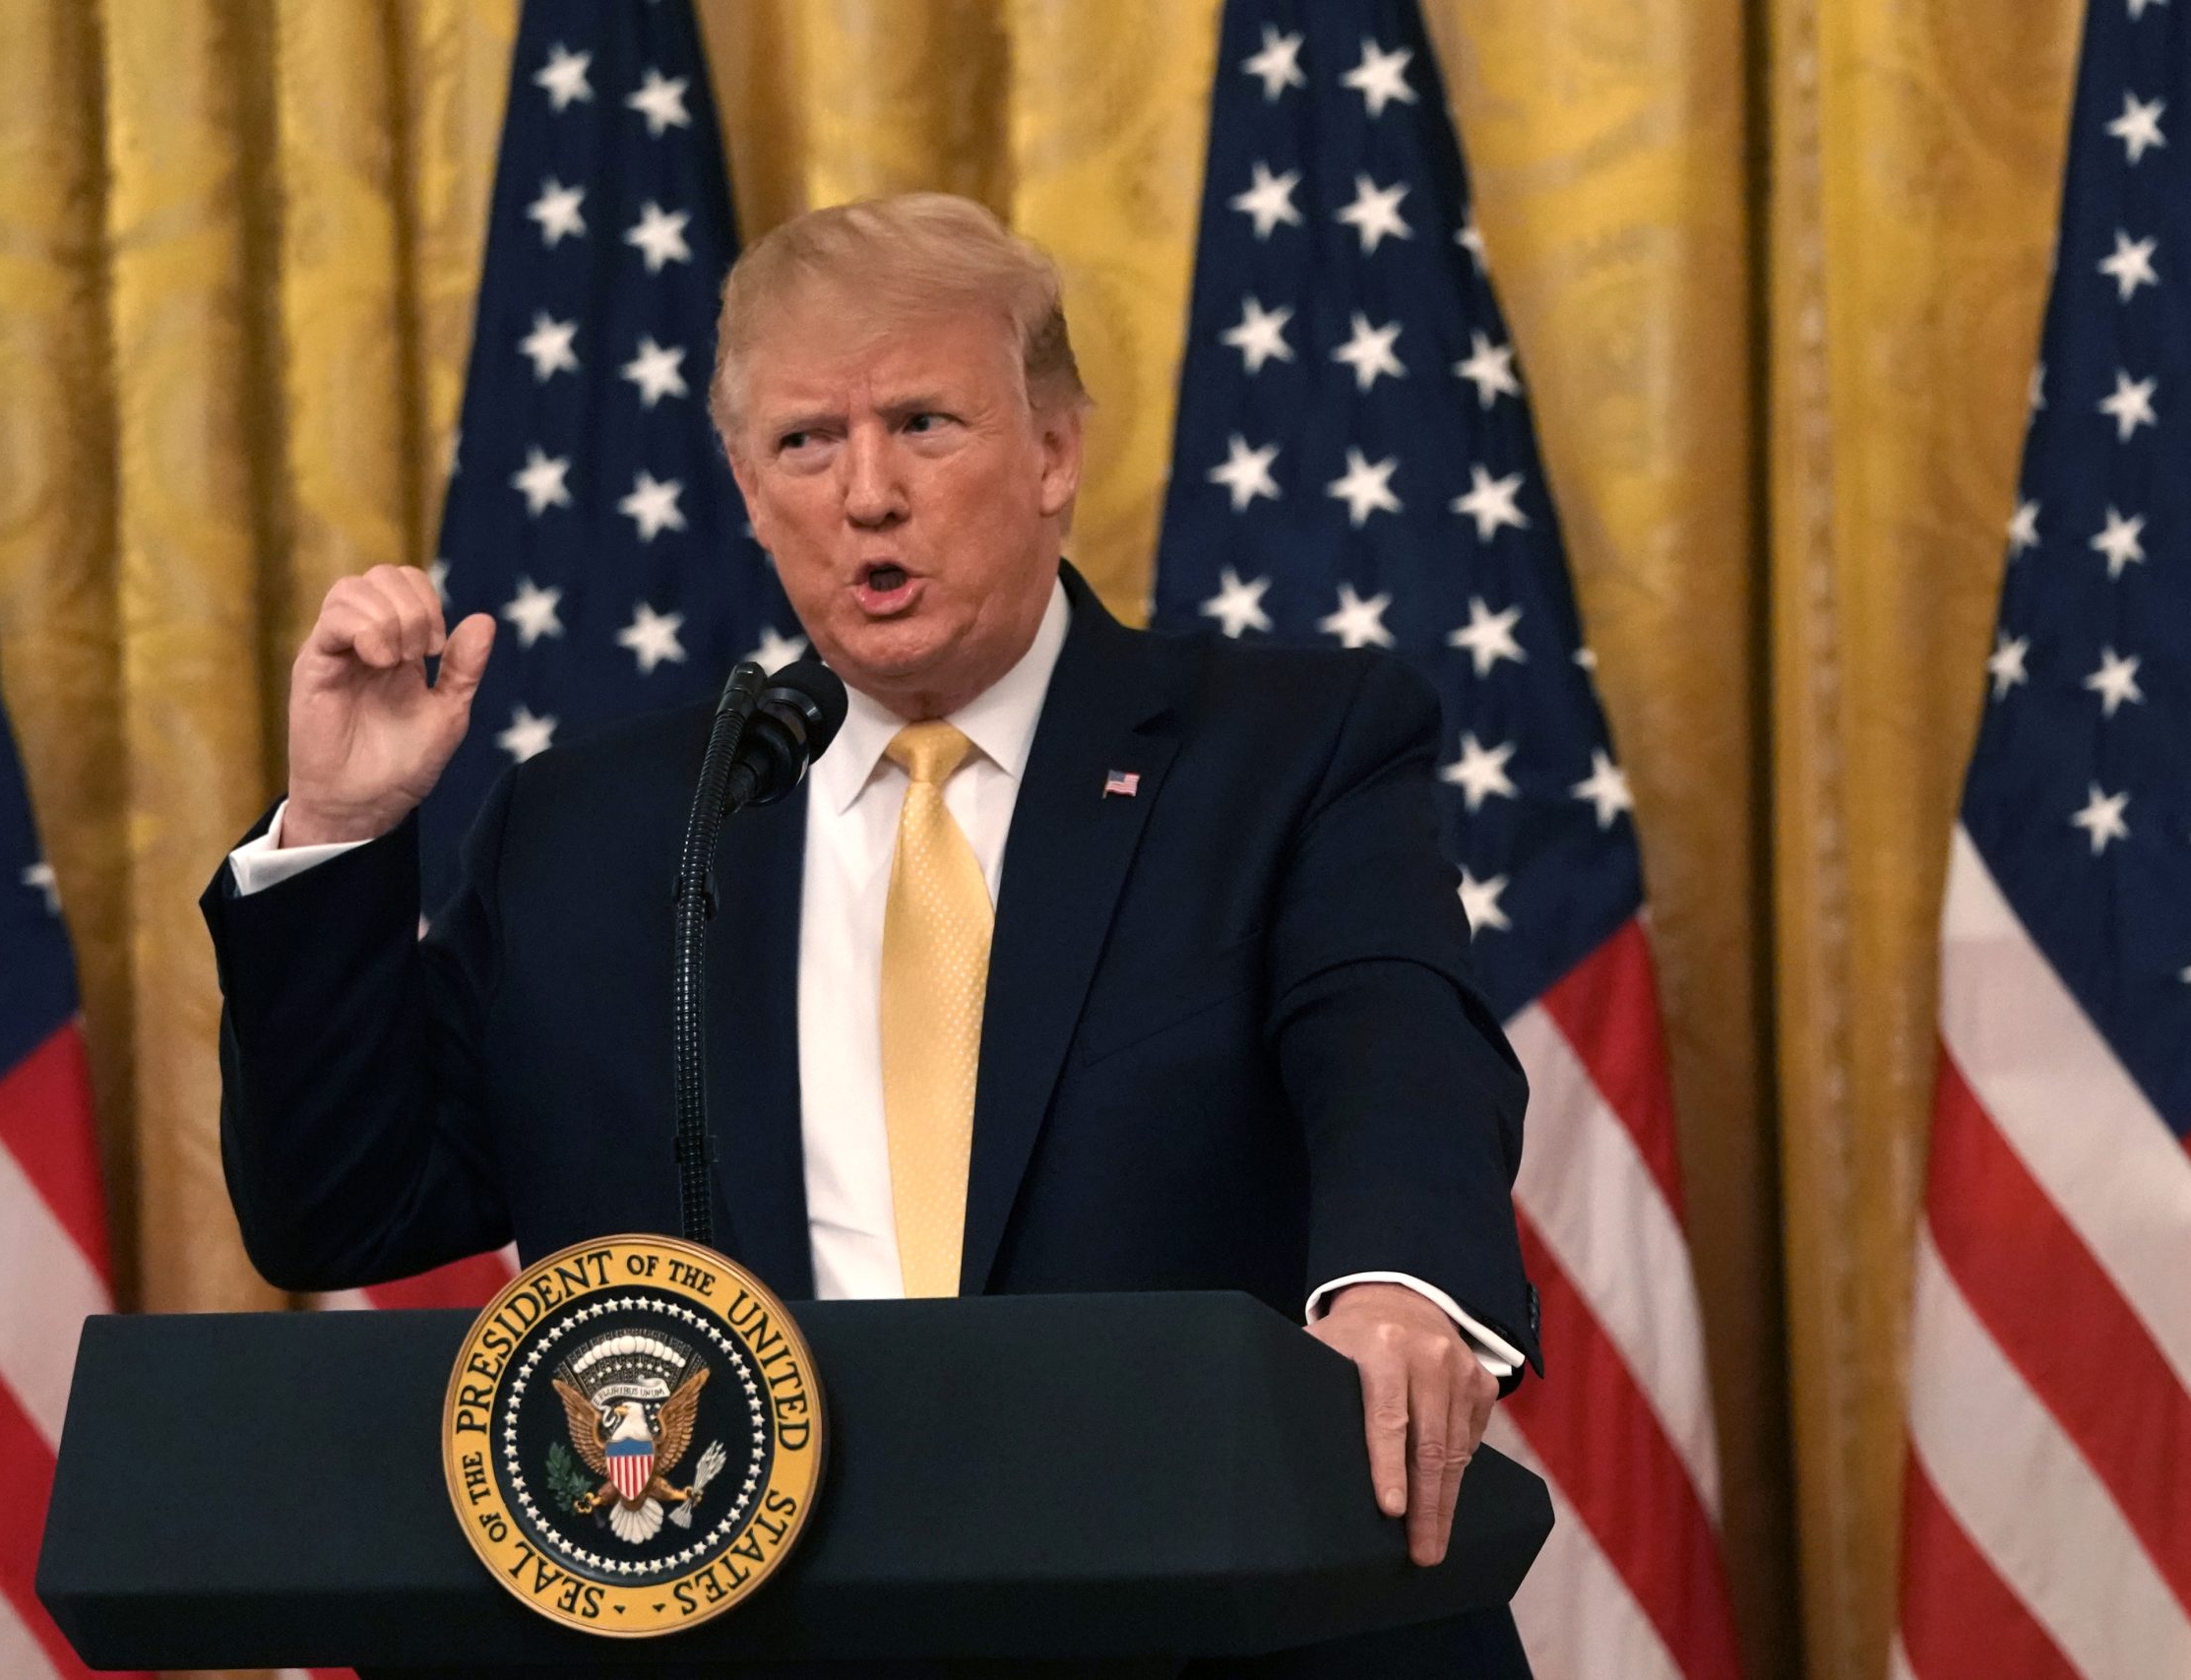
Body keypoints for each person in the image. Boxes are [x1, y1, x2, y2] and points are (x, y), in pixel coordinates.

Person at [203, 194, 1537, 1676]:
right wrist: (334, 832)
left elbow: (1397, 1041)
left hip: (1192, 1623)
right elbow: (343, 1212)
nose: (868, 494)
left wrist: (1402, 1283)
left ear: (1052, 451)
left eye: (924, 423)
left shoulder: (1288, 753)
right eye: (806, 443)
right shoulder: (593, 828)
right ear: (747, 487)